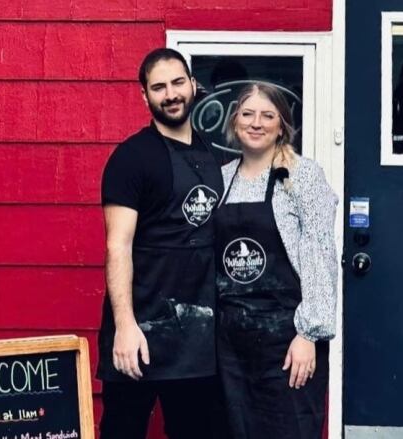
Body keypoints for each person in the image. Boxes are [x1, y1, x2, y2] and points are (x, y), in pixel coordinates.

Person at [97, 48, 227, 439]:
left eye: (177, 83)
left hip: (199, 339)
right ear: (144, 96)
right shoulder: (132, 158)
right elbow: (117, 246)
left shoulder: (213, 154)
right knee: (124, 430)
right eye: (158, 88)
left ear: (192, 84)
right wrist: (125, 326)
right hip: (142, 329)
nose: (170, 94)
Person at [214, 81, 338, 438]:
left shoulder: (302, 176)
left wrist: (308, 334)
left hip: (286, 341)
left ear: (282, 125)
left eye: (268, 115)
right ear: (235, 121)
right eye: (248, 114)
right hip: (231, 346)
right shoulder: (221, 179)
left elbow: (320, 254)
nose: (257, 123)